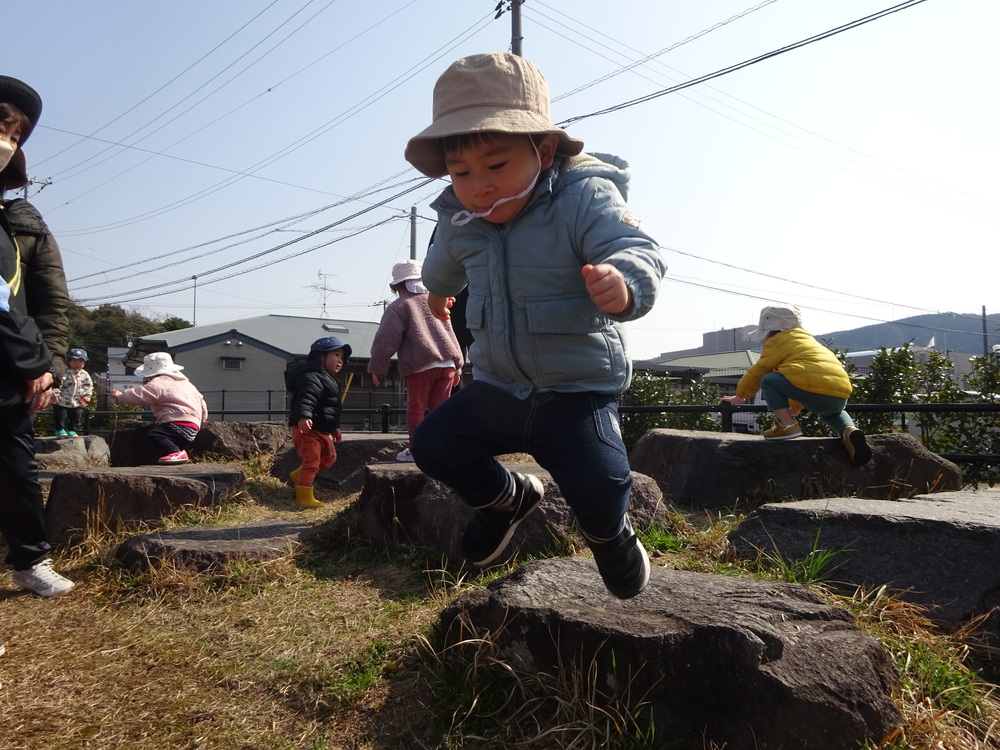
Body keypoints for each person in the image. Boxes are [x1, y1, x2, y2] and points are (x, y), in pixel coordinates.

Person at [403, 53, 667, 599]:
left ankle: (609, 534)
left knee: (601, 483)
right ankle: (505, 500)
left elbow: (634, 245)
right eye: (461, 172)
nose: (477, 186)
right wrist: (438, 291)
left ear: (543, 151)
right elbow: (442, 268)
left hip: (576, 388)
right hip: (499, 386)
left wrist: (623, 280)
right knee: (433, 444)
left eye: (495, 166)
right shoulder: (459, 215)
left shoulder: (584, 197)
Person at [0, 74, 75, 601]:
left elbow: (50, 302)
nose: (8, 140)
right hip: (19, 359)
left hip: (13, 370)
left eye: (17, 135)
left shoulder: (25, 225)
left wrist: (45, 365)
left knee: (17, 471)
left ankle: (29, 559)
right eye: (3, 124)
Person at [721, 304, 872, 465]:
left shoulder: (776, 342)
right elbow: (803, 375)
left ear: (769, 332)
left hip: (810, 388)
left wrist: (741, 395)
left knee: (768, 379)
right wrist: (796, 407)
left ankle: (787, 425)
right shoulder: (808, 341)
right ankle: (849, 430)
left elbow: (760, 369)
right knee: (832, 413)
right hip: (840, 391)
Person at [367, 259, 464, 462]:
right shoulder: (436, 300)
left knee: (416, 407)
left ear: (395, 286)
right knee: (440, 409)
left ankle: (417, 449)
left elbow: (386, 339)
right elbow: (450, 331)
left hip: (421, 364)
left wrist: (378, 365)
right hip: (447, 363)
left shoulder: (399, 306)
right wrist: (458, 365)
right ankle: (440, 448)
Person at [285, 336, 350, 508]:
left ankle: (298, 476)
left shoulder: (329, 379)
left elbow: (330, 407)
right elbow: (307, 398)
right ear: (320, 356)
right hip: (307, 429)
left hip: (322, 429)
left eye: (342, 357)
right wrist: (304, 416)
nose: (340, 360)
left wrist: (334, 427)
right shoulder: (311, 377)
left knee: (329, 458)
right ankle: (304, 494)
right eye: (336, 354)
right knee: (312, 461)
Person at [110, 352, 208, 465]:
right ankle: (175, 453)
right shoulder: (188, 384)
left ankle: (175, 452)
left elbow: (140, 395)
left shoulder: (159, 383)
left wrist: (120, 397)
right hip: (193, 426)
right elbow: (201, 402)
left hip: (176, 423)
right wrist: (201, 420)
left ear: (151, 375)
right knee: (171, 438)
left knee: (155, 435)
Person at [53, 347, 93, 436]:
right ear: (69, 361)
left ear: (84, 363)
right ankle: (59, 429)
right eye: (74, 361)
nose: (77, 363)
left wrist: (86, 398)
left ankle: (72, 429)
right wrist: (55, 394)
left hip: (76, 401)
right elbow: (58, 383)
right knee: (60, 416)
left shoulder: (85, 374)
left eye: (80, 361)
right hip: (61, 400)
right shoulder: (64, 372)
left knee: (76, 416)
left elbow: (88, 386)